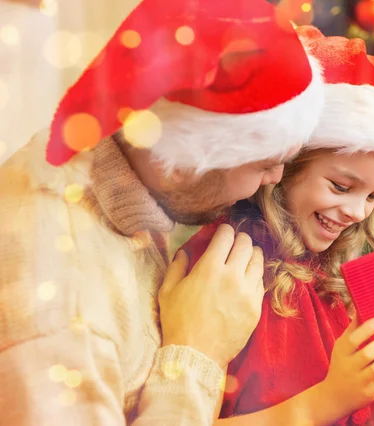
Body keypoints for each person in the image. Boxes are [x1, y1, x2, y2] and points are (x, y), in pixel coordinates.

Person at [0, 1, 324, 425]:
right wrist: (198, 352)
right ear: (183, 160)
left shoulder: (103, 173)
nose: (274, 178)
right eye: (263, 163)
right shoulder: (63, 316)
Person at [181, 27, 374, 426]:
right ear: (284, 165)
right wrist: (332, 398)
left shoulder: (329, 278)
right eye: (341, 186)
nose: (358, 213)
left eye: (372, 197)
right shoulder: (221, 268)